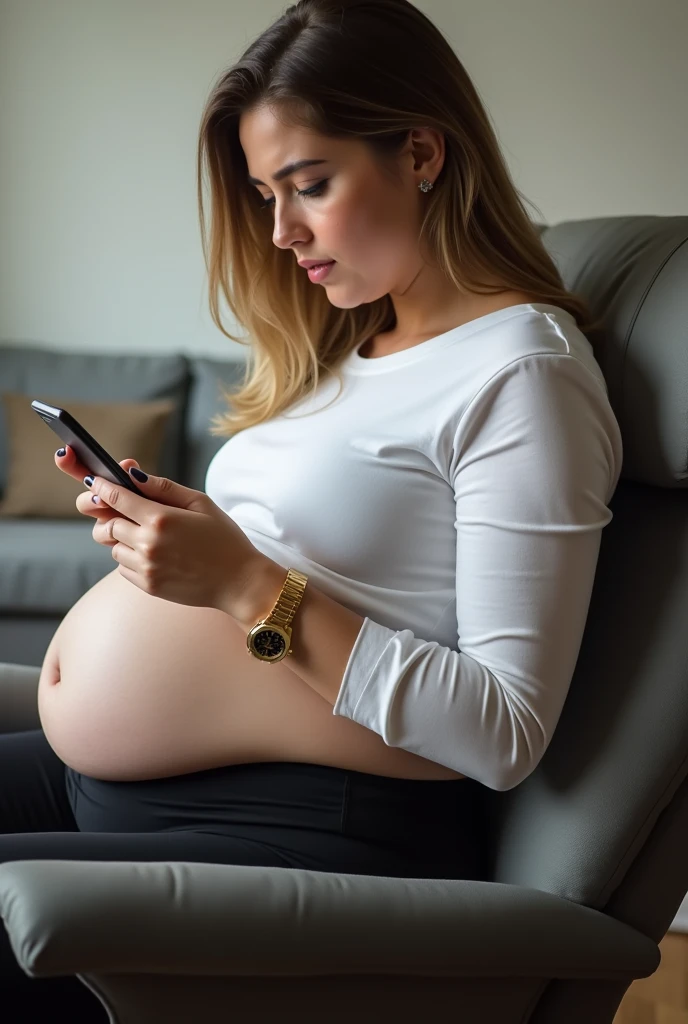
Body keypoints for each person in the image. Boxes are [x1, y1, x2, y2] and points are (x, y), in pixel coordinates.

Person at [1, 0, 623, 1017]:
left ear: (420, 152)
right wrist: (192, 535)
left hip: (298, 825)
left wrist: (243, 582)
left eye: (310, 186)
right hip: (129, 786)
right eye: (263, 195)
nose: (281, 232)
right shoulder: (356, 342)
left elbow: (506, 729)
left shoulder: (522, 375)